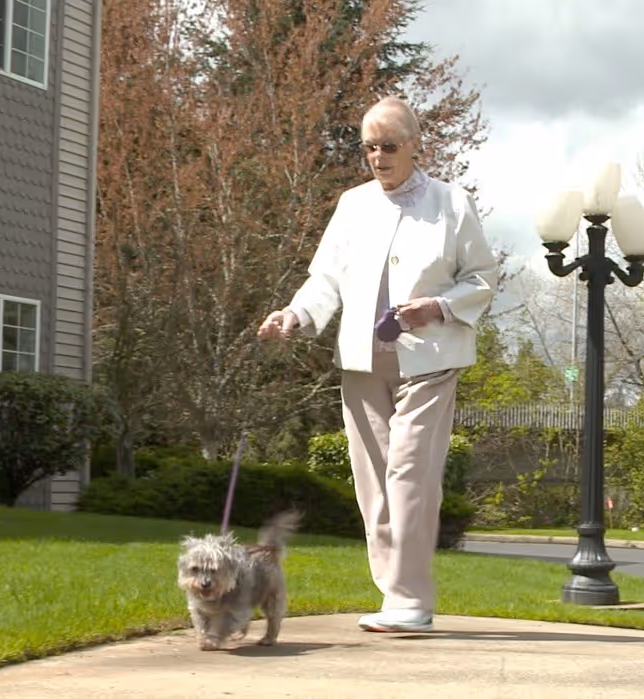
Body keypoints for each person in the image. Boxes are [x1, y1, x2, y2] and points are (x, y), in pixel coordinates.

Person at [257, 96, 498, 632]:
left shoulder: (452, 204)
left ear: (416, 145)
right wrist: (295, 315)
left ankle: (410, 600)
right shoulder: (353, 204)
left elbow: (482, 277)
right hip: (364, 362)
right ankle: (394, 593)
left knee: (410, 473)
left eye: (389, 146)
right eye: (369, 147)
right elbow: (326, 279)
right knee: (374, 483)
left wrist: (438, 307)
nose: (378, 156)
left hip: (431, 360)